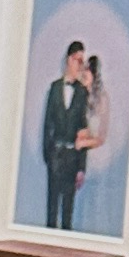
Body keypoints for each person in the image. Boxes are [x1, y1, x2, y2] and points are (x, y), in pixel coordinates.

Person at [40, 39, 95, 230]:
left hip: (72, 157)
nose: (79, 65)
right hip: (56, 155)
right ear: (68, 60)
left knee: (68, 212)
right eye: (77, 60)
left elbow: (84, 131)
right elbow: (48, 125)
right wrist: (48, 155)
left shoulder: (81, 93)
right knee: (52, 208)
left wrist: (81, 167)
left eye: (82, 61)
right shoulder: (55, 89)